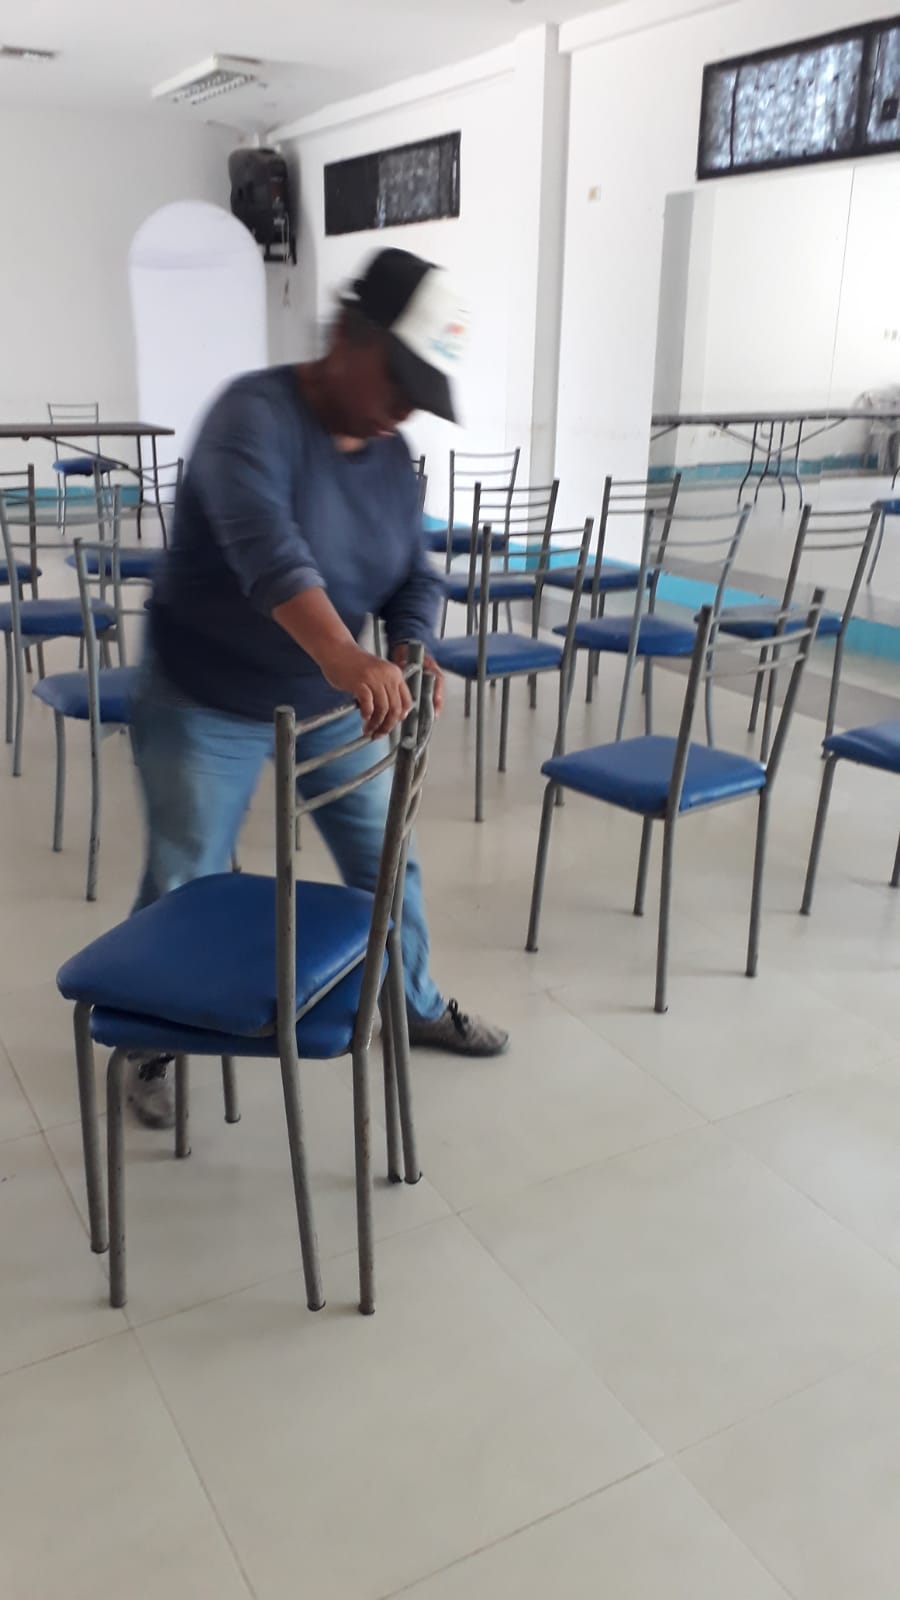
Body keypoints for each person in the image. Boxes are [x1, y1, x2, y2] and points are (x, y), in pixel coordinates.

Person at [127, 247, 509, 1128]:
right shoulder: (252, 417)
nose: (405, 406)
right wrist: (344, 651)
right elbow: (268, 549)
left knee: (388, 859)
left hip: (329, 700)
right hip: (204, 692)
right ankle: (148, 1041)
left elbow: (414, 575)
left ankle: (411, 1000)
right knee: (187, 873)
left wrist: (408, 645)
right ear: (345, 334)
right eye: (397, 378)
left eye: (421, 391)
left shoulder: (392, 456)